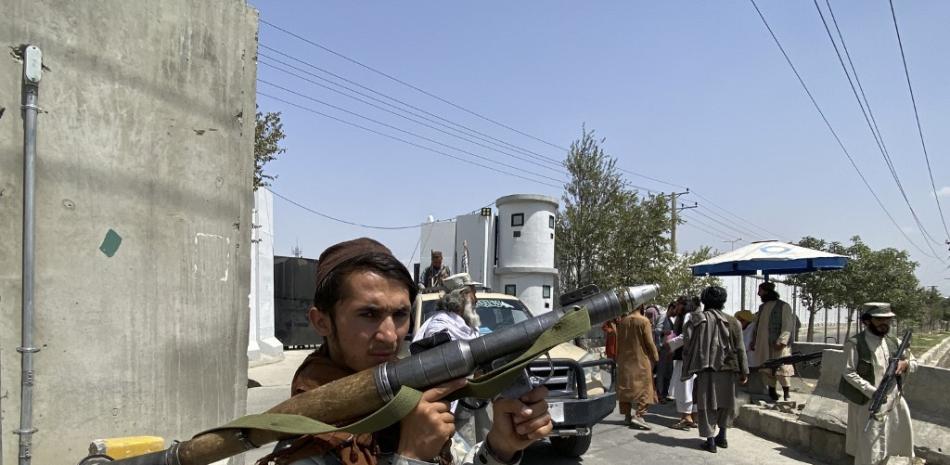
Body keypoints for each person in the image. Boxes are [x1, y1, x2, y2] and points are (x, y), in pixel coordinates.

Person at [266, 238, 551, 465]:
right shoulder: (306, 438)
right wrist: (412, 457)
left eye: (401, 314)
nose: (390, 335)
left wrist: (501, 447)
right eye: (368, 314)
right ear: (321, 322)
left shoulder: (404, 400)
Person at [839, 303, 917, 465]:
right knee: (868, 447)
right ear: (867, 321)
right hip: (867, 402)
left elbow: (914, 362)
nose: (885, 323)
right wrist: (872, 392)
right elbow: (849, 372)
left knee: (888, 443)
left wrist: (906, 364)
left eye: (887, 320)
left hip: (893, 401)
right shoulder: (855, 343)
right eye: (879, 319)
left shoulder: (894, 341)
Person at [682, 286, 749, 454]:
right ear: (723, 301)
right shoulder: (734, 322)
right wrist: (744, 371)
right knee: (726, 403)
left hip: (706, 369)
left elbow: (688, 344)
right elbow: (741, 348)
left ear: (704, 300)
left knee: (706, 404)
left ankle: (710, 440)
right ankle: (723, 436)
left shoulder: (697, 319)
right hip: (729, 368)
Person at [615, 305, 659, 430]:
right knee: (646, 388)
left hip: (624, 360)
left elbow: (619, 341)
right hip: (641, 360)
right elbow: (649, 342)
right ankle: (639, 415)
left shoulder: (622, 321)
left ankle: (627, 416)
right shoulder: (644, 321)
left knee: (626, 387)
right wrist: (656, 356)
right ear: (642, 306)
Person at [749, 282, 795, 401]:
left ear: (767, 291)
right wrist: (753, 341)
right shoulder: (762, 307)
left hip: (778, 344)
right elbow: (757, 326)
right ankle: (772, 392)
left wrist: (782, 341)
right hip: (763, 344)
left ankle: (786, 393)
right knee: (767, 368)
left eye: (760, 291)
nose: (758, 294)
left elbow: (787, 326)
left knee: (782, 368)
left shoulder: (784, 306)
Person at [414, 273, 481, 343]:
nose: (476, 300)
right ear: (463, 295)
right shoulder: (439, 326)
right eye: (473, 294)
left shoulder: (471, 326)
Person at [667, 296, 698, 430]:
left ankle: (686, 418)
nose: (676, 307)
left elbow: (686, 336)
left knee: (684, 388)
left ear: (683, 305)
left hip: (685, 359)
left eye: (678, 304)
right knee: (690, 388)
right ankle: (691, 417)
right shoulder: (691, 316)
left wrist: (670, 345)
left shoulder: (687, 317)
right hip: (690, 359)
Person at [654, 302, 676, 402]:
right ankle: (659, 394)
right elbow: (656, 331)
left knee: (668, 372)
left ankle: (665, 393)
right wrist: (664, 333)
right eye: (675, 310)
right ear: (671, 308)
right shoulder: (663, 316)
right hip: (662, 350)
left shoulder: (670, 320)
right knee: (661, 373)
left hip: (669, 350)